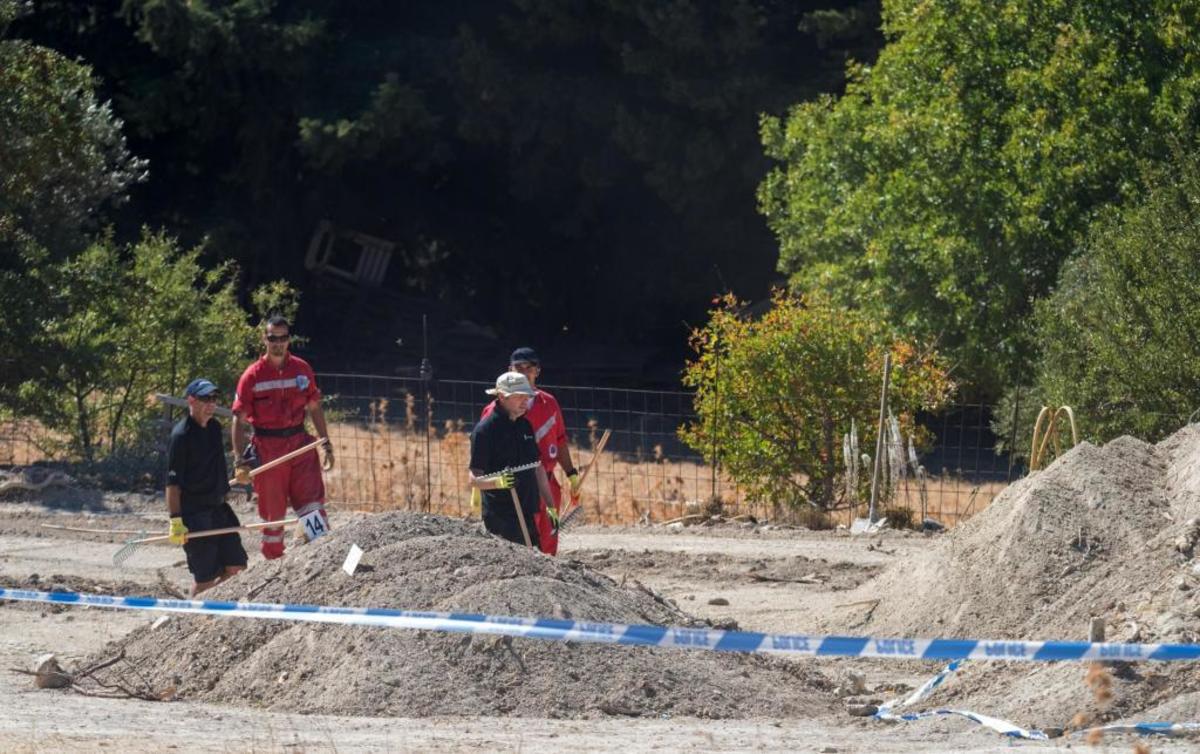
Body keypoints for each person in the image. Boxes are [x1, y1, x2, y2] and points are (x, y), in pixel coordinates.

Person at [231, 316, 333, 559]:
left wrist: (326, 442)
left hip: (300, 447)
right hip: (268, 452)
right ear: (264, 339)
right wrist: (239, 461)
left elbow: (315, 407)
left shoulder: (302, 369)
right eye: (273, 338)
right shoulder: (252, 376)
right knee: (273, 517)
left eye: (283, 338)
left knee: (312, 506)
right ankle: (275, 568)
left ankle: (322, 558)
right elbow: (238, 419)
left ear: (289, 339)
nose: (278, 343)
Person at [479, 347, 581, 555]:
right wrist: (480, 485)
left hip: (548, 483)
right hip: (519, 487)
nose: (524, 372)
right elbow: (484, 454)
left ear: (538, 371)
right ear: (510, 370)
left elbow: (560, 440)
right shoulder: (496, 412)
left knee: (549, 540)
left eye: (529, 368)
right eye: (519, 368)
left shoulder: (549, 403)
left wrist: (571, 473)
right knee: (523, 544)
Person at [166, 378, 247, 596]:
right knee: (205, 579)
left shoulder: (214, 428)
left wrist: (235, 479)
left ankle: (213, 606)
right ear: (191, 401)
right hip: (195, 514)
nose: (211, 403)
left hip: (219, 509)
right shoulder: (181, 436)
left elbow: (216, 466)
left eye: (213, 398)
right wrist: (175, 520)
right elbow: (173, 485)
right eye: (205, 398)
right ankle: (194, 613)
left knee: (236, 566)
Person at [469, 371, 556, 549]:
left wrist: (550, 506)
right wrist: (498, 482)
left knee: (536, 560)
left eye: (527, 397)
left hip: (527, 510)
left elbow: (537, 467)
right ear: (502, 397)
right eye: (519, 397)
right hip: (501, 516)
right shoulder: (485, 431)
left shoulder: (525, 425)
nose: (526, 401)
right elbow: (474, 480)